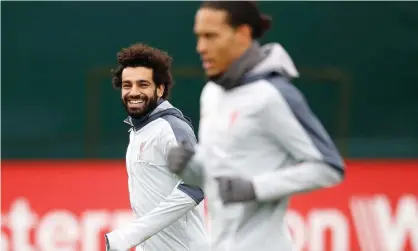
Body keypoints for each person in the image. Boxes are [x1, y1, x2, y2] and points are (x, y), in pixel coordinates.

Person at [167, 2, 345, 251]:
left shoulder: (273, 95)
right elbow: (215, 176)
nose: (201, 47)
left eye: (211, 36)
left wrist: (256, 188)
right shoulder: (211, 93)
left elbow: (329, 166)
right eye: (198, 37)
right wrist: (188, 167)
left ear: (242, 34)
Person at [105, 43, 209, 251]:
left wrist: (130, 235)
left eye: (143, 85)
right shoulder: (137, 131)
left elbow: (195, 187)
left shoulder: (170, 127)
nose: (133, 92)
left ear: (160, 89)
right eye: (127, 85)